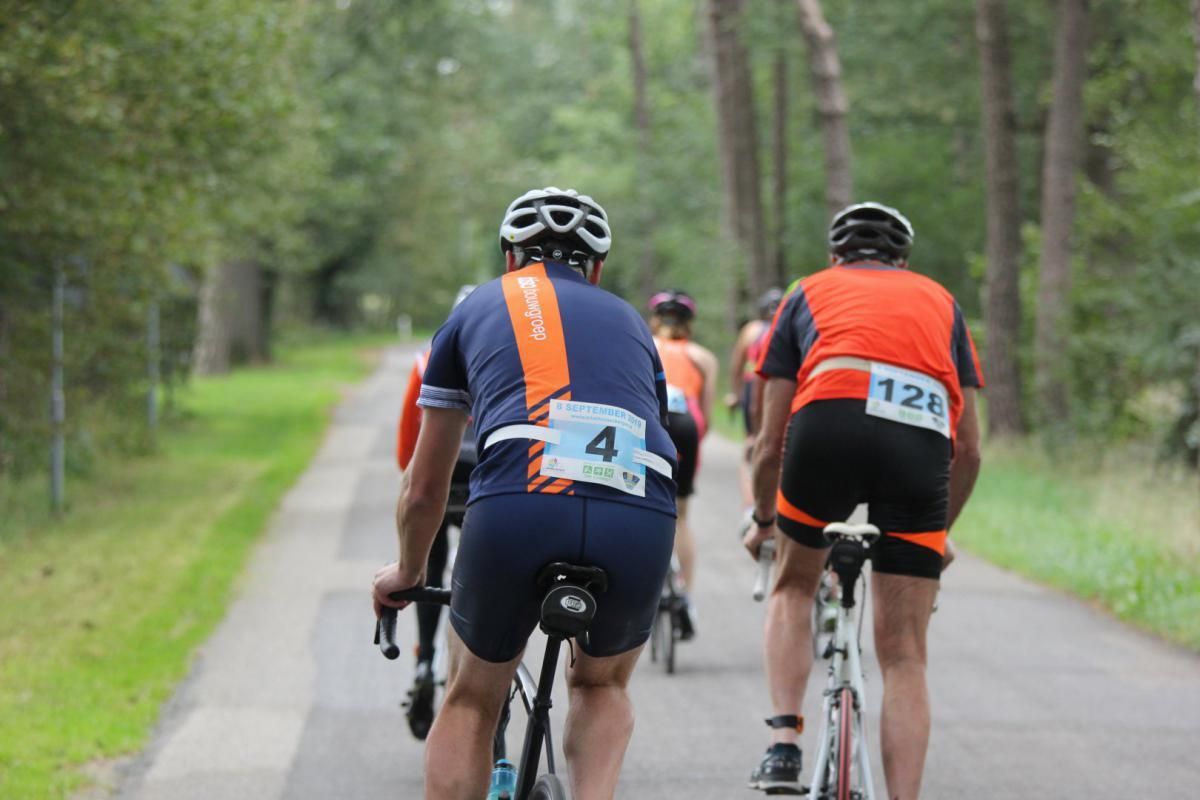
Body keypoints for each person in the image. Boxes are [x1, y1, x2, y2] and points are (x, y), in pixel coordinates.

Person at [373, 187, 678, 800]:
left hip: (521, 503)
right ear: (596, 269)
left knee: (472, 700)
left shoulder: (475, 309)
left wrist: (407, 570)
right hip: (640, 508)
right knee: (601, 688)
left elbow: (426, 485)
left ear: (510, 258)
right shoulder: (633, 324)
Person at [744, 202, 984, 798]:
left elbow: (770, 440)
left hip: (828, 426)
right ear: (904, 262)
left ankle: (783, 744)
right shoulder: (942, 301)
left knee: (795, 585)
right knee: (904, 654)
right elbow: (971, 451)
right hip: (919, 447)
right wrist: (938, 533)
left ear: (835, 258)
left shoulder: (806, 291)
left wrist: (765, 519)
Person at [395, 284, 476, 740]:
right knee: (477, 571)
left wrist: (411, 480)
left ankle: (425, 658)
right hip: (489, 482)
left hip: (443, 478)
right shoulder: (512, 362)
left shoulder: (428, 360)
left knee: (428, 566)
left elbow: (409, 445)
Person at [648, 289, 718, 639]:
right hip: (687, 424)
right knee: (682, 515)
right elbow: (706, 419)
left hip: (652, 421)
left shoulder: (643, 345)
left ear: (655, 320)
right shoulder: (702, 356)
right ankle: (686, 597)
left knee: (641, 506)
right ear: (689, 324)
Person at [727, 287, 784, 507]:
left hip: (754, 389)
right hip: (781, 388)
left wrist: (735, 393)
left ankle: (751, 504)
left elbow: (736, 366)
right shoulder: (787, 327)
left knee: (751, 445)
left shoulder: (752, 330)